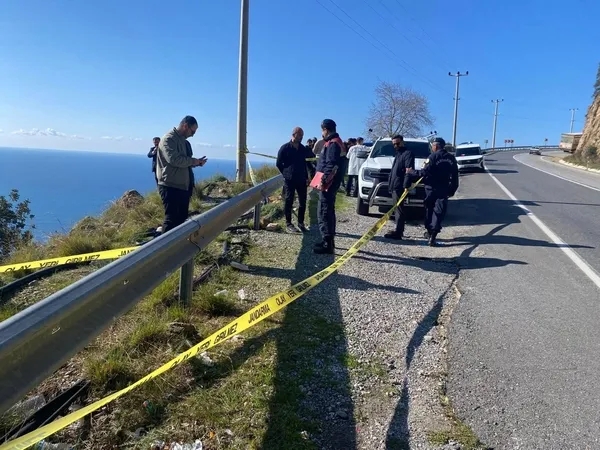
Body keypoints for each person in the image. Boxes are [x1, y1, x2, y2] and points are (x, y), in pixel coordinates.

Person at [156, 115, 208, 233]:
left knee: (181, 218)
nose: (193, 135)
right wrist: (193, 161)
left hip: (183, 186)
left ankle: (177, 243)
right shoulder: (169, 139)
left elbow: (184, 162)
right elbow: (174, 160)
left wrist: (197, 163)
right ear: (185, 126)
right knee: (171, 219)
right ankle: (165, 244)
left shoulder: (184, 142)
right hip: (170, 186)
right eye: (192, 131)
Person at [406, 137, 458, 246]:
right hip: (444, 189)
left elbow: (424, 172)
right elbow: (455, 176)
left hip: (431, 189)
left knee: (429, 210)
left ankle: (430, 232)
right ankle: (433, 236)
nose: (432, 147)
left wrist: (412, 172)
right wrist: (453, 189)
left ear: (436, 146)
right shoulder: (451, 158)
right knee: (439, 211)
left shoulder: (432, 157)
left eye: (433, 145)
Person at [276, 127, 315, 233]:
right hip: (290, 179)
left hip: (302, 179)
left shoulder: (303, 149)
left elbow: (308, 162)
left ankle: (301, 223)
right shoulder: (284, 148)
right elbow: (278, 163)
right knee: (289, 201)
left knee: (303, 202)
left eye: (302, 135)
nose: (301, 137)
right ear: (294, 134)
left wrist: (309, 177)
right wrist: (286, 173)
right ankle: (288, 223)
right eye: (300, 135)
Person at [314, 119, 345, 254]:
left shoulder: (333, 144)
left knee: (324, 212)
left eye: (322, 130)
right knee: (328, 211)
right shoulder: (337, 142)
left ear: (326, 130)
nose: (322, 133)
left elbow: (331, 164)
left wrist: (323, 180)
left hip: (328, 184)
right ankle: (328, 240)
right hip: (332, 183)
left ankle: (327, 244)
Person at [384, 135, 414, 240]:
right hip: (394, 185)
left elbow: (408, 170)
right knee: (396, 208)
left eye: (397, 143)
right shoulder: (398, 154)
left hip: (400, 186)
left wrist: (406, 185)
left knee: (399, 210)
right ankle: (397, 229)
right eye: (394, 144)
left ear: (402, 142)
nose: (396, 146)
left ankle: (398, 232)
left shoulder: (408, 154)